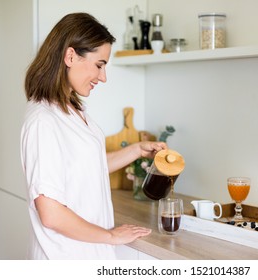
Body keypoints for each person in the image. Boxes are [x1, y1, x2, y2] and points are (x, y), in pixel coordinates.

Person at [20, 12, 167, 259]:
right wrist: (111, 235)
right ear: (70, 56)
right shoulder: (43, 121)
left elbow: (85, 167)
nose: (103, 77)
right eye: (99, 65)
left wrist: (136, 150)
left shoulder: (72, 109)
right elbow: (51, 212)